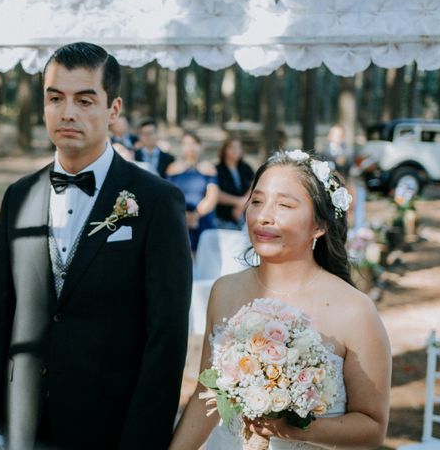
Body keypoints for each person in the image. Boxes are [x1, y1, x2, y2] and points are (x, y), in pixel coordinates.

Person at [0, 42, 192, 450]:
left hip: (110, 422)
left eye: (84, 99)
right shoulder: (17, 196)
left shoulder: (156, 200)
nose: (67, 112)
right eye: (55, 98)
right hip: (24, 419)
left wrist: (143, 439)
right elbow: (1, 318)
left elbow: (166, 336)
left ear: (113, 110)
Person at [170, 150, 391, 449]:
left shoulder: (354, 310)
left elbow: (372, 427)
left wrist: (289, 429)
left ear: (320, 225)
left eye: (284, 205)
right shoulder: (225, 291)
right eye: (257, 201)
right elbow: (205, 398)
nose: (263, 216)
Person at [166, 131, 219, 252]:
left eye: (193, 143)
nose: (190, 147)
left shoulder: (209, 168)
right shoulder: (172, 168)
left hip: (202, 218)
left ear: (199, 146)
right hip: (178, 218)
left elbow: (212, 196)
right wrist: (183, 215)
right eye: (186, 144)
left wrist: (195, 215)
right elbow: (169, 197)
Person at [215, 137, 255, 230]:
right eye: (232, 147)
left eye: (238, 147)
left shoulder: (246, 168)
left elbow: (255, 185)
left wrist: (243, 205)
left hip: (246, 217)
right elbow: (216, 194)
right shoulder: (217, 169)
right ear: (224, 150)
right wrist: (239, 202)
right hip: (223, 219)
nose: (236, 150)